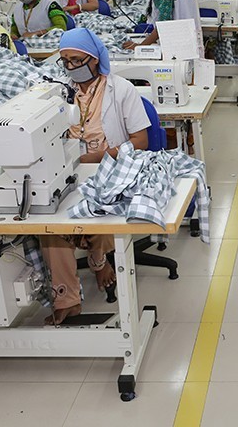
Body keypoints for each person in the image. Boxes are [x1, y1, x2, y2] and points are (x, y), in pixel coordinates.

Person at [42, 28, 150, 325]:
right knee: (48, 222)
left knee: (95, 202)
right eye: (65, 61)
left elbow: (140, 141)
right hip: (71, 169)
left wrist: (99, 157)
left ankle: (99, 261)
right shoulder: (59, 91)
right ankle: (66, 296)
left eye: (77, 60)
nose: (71, 67)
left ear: (94, 59)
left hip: (112, 167)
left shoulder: (121, 89)